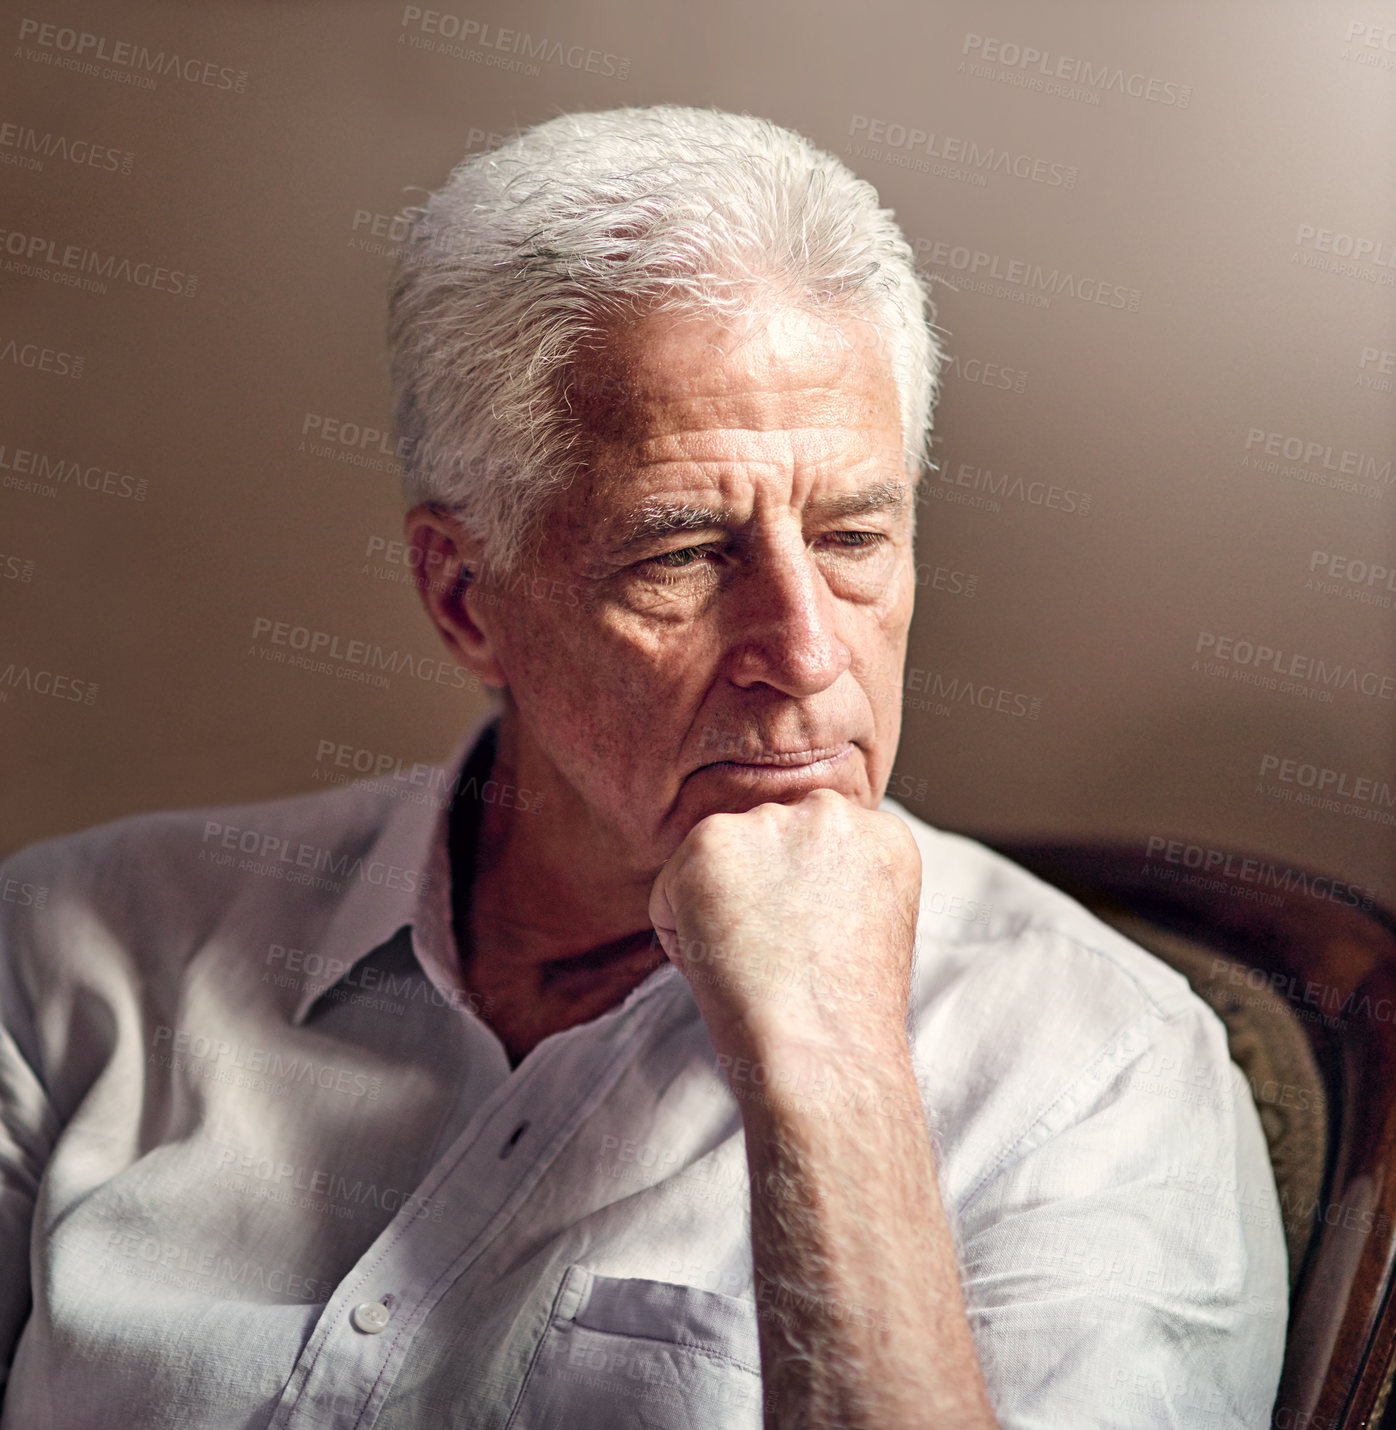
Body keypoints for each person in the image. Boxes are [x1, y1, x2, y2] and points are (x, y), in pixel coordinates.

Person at [0, 106, 1287, 1428]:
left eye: (853, 534)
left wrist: (833, 1062)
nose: (800, 650)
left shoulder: (1098, 1071)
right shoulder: (73, 948)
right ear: (465, 599)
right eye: (680, 553)